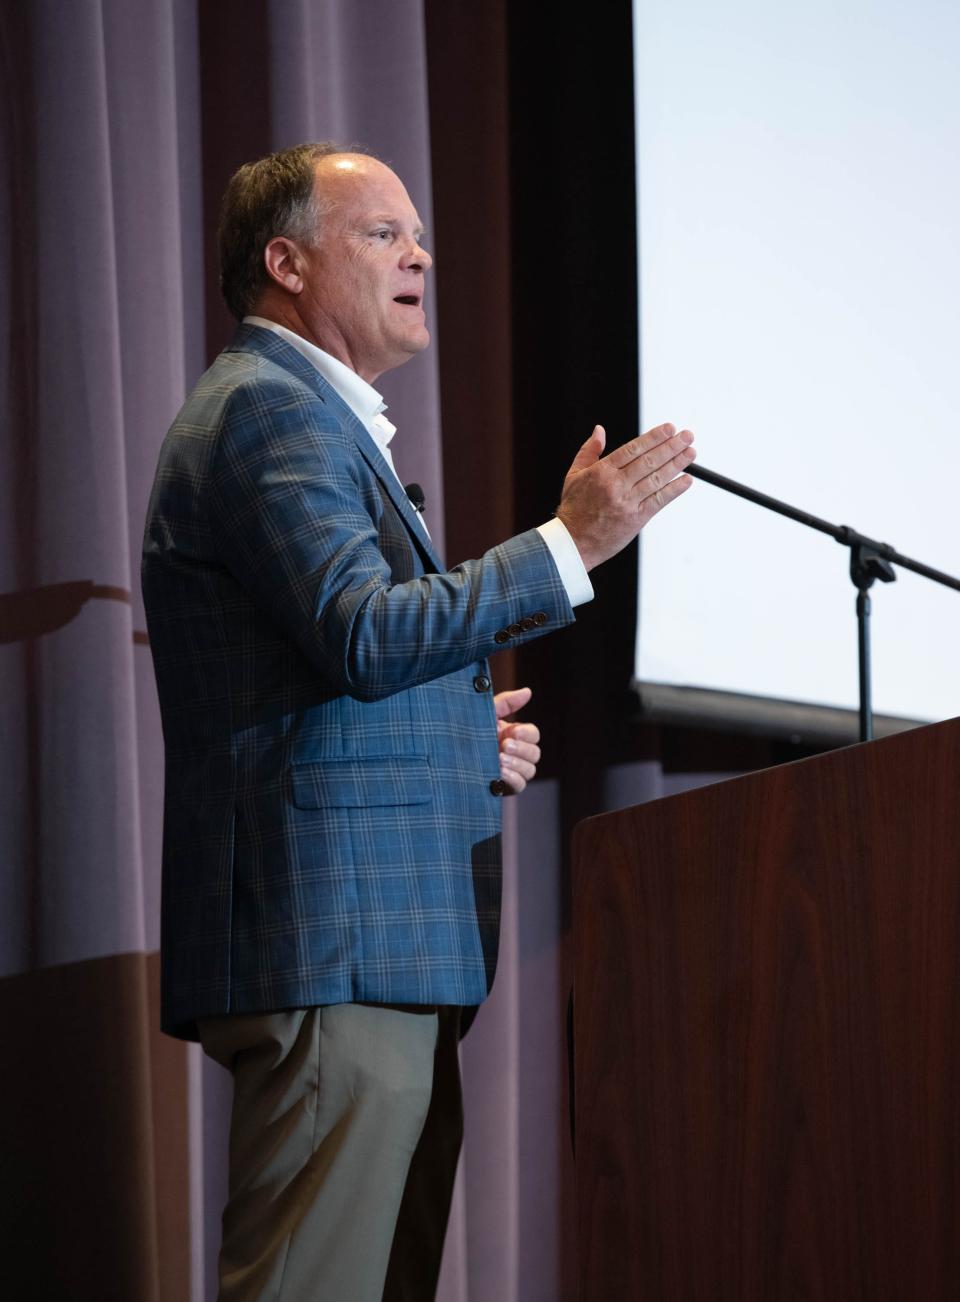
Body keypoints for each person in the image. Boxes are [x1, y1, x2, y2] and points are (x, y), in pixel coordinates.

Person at [142, 141, 695, 1302]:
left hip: (376, 947)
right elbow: (358, 628)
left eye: (417, 232)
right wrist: (569, 546)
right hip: (330, 940)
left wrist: (454, 739)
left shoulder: (306, 418)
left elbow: (325, 669)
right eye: (383, 234)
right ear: (286, 263)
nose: (422, 254)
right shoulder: (266, 412)